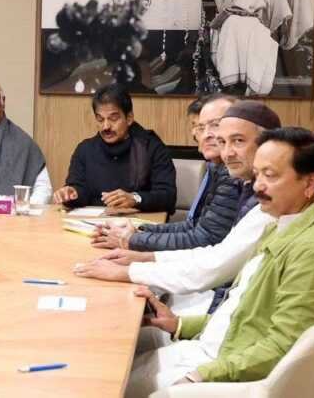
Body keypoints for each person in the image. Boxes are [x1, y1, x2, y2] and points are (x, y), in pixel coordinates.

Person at [123, 128, 314, 396]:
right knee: (122, 352)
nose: (257, 186)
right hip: (219, 351)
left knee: (114, 381)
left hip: (229, 372)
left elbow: (285, 347)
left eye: (270, 175)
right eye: (257, 175)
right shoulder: (284, 224)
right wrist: (180, 325)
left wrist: (201, 376)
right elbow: (247, 314)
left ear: (310, 184)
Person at [73, 101, 282, 318]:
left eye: (237, 140)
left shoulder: (264, 205)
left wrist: (132, 262)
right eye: (201, 128)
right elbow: (209, 249)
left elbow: (212, 259)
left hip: (216, 304)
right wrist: (142, 250)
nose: (226, 151)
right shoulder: (242, 185)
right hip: (217, 303)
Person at [92, 94, 241, 252]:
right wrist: (138, 231)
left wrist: (133, 239)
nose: (206, 134)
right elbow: (193, 226)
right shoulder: (218, 168)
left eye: (215, 125)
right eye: (200, 127)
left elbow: (204, 238)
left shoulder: (232, 174)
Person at [53, 84, 176, 213]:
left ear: (129, 118)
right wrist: (71, 193)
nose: (106, 126)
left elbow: (168, 197)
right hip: (93, 222)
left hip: (138, 222)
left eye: (113, 118)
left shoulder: (151, 147)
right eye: (100, 119)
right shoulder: (85, 150)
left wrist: (135, 199)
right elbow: (80, 190)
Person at [210, 0, 278, 95]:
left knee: (256, 30)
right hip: (225, 29)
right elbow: (224, 13)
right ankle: (233, 76)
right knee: (232, 21)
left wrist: (246, 14)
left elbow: (261, 18)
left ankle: (251, 80)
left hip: (249, 30)